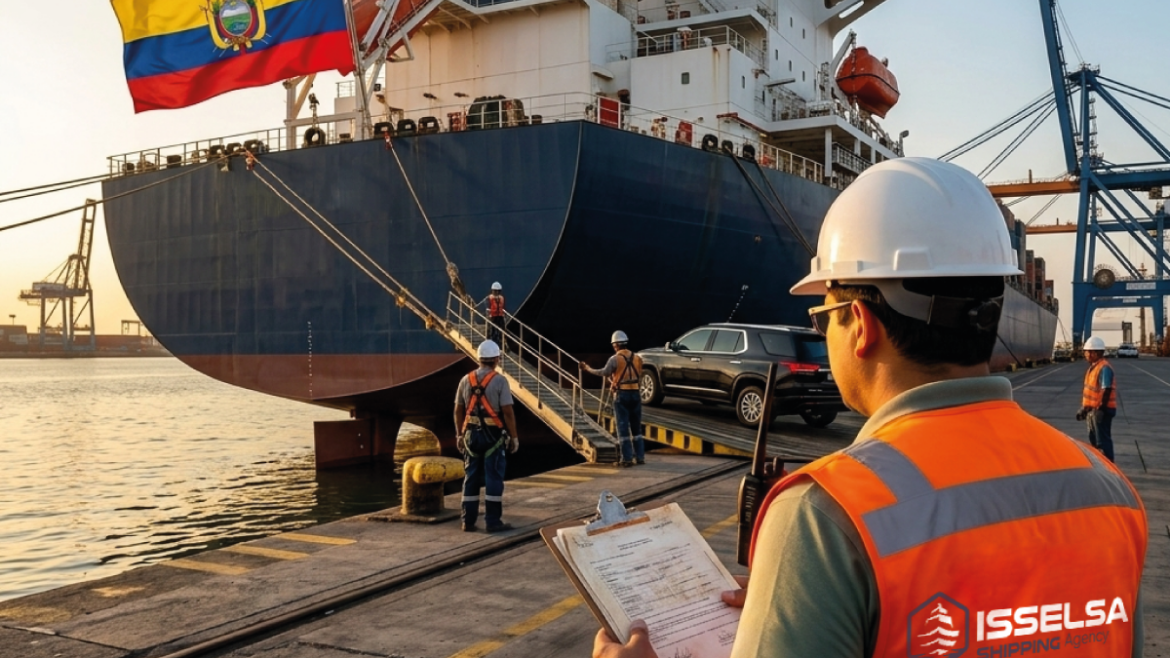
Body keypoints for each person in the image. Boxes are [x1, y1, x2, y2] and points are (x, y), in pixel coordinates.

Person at [593, 158, 1147, 658]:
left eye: (822, 316)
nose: (822, 331)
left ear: (860, 325)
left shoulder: (824, 516)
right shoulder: (1110, 490)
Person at [454, 339, 519, 533]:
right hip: (493, 437)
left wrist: (459, 434)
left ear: (480, 358)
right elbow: (507, 412)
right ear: (497, 359)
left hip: (470, 436)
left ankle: (468, 521)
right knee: (493, 478)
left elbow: (458, 409)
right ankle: (493, 521)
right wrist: (514, 437)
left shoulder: (465, 380)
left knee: (470, 477)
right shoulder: (500, 381)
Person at [585, 331, 645, 467]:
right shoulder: (638, 358)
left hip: (621, 395)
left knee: (623, 428)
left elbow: (604, 372)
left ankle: (627, 459)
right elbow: (639, 374)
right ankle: (640, 457)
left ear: (616, 345)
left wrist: (588, 369)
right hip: (635, 394)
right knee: (636, 428)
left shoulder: (614, 359)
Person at [1078, 335, 1117, 462]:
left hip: (1101, 411)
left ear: (1095, 352)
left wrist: (1100, 409)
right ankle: (1102, 465)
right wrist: (1085, 409)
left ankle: (1109, 467)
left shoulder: (1104, 368)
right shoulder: (1093, 367)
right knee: (1094, 440)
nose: (1085, 354)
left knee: (1102, 442)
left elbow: (1106, 390)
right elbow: (1092, 393)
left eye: (1087, 352)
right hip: (1093, 411)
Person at [486, 282, 506, 347]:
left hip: (500, 316)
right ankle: (490, 342)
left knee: (502, 330)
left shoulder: (501, 298)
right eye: (495, 291)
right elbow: (487, 305)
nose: (496, 292)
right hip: (493, 316)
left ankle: (502, 343)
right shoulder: (490, 298)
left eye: (498, 291)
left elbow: (502, 307)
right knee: (492, 330)